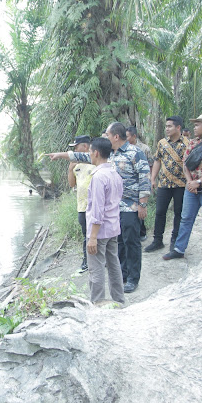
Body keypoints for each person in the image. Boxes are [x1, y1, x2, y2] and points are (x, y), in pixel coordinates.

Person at [48, 122, 150, 293]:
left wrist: (143, 204)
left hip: (131, 206)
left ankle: (133, 278)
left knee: (131, 242)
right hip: (114, 207)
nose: (105, 137)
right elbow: (83, 157)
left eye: (107, 135)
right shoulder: (108, 154)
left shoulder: (135, 152)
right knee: (119, 243)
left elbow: (145, 179)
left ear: (116, 136)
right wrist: (60, 155)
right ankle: (123, 274)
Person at [163, 114, 202, 260]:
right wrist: (190, 181)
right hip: (191, 188)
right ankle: (179, 249)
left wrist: (199, 181)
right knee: (186, 218)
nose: (194, 127)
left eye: (198, 125)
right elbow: (185, 164)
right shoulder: (192, 143)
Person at [85, 137, 125, 304]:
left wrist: (93, 237)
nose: (89, 155)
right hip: (113, 227)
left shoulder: (99, 177)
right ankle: (119, 299)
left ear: (96, 153)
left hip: (100, 231)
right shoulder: (115, 174)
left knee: (96, 268)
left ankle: (98, 302)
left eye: (90, 152)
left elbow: (97, 209)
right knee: (114, 264)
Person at [145, 116, 189, 253]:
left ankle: (175, 240)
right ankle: (157, 240)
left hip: (181, 184)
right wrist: (153, 179)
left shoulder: (188, 144)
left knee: (178, 213)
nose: (167, 129)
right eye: (166, 126)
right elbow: (157, 161)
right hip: (164, 183)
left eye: (170, 126)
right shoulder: (162, 143)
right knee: (160, 212)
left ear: (178, 128)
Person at [67, 135, 95, 273]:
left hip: (95, 206)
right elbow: (72, 184)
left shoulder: (95, 161)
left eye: (76, 147)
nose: (75, 150)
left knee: (99, 234)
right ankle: (86, 260)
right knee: (86, 235)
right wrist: (70, 169)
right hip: (81, 206)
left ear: (84, 147)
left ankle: (101, 260)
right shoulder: (76, 166)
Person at [126, 126, 153, 242]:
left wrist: (150, 181)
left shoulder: (144, 149)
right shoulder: (123, 149)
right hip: (130, 185)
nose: (125, 139)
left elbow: (150, 165)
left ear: (134, 136)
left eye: (127, 136)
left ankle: (142, 232)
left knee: (141, 207)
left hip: (141, 182)